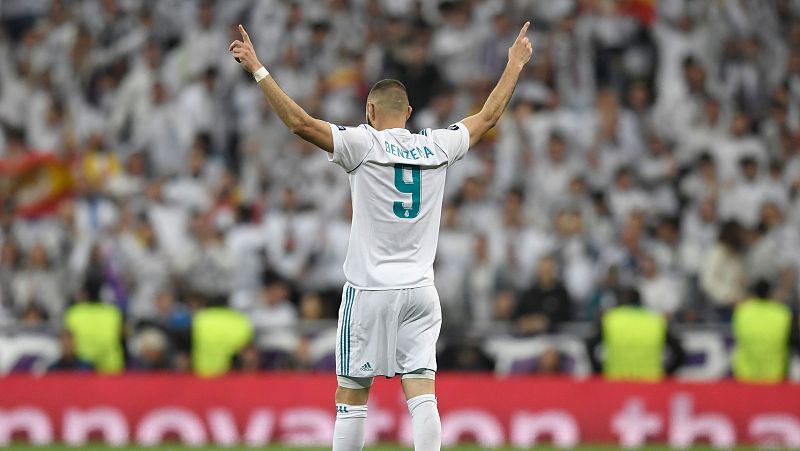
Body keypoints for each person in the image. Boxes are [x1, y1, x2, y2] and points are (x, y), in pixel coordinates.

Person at [229, 20, 533, 451]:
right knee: (422, 393)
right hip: (421, 290)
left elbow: (299, 123)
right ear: (408, 113)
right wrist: (515, 63)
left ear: (369, 112)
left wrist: (258, 67)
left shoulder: (362, 144)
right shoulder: (437, 146)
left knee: (352, 395)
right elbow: (489, 116)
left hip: (370, 288)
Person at [587, 288, 685, 382]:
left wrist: (599, 372)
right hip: (651, 382)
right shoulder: (656, 321)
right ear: (641, 301)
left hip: (616, 381)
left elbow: (590, 345)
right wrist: (667, 374)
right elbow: (679, 352)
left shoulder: (610, 319)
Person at [732, 280, 796, 383]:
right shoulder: (783, 313)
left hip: (745, 374)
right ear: (770, 293)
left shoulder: (742, 312)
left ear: (754, 293)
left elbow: (737, 336)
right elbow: (793, 341)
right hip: (774, 375)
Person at [64, 275, 124, 374]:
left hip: (81, 368)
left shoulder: (74, 312)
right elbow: (122, 335)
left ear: (85, 293)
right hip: (111, 368)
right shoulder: (113, 313)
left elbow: (67, 339)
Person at [191, 295, 253, 377]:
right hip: (230, 373)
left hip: (201, 372)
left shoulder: (199, 318)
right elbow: (247, 350)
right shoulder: (238, 319)